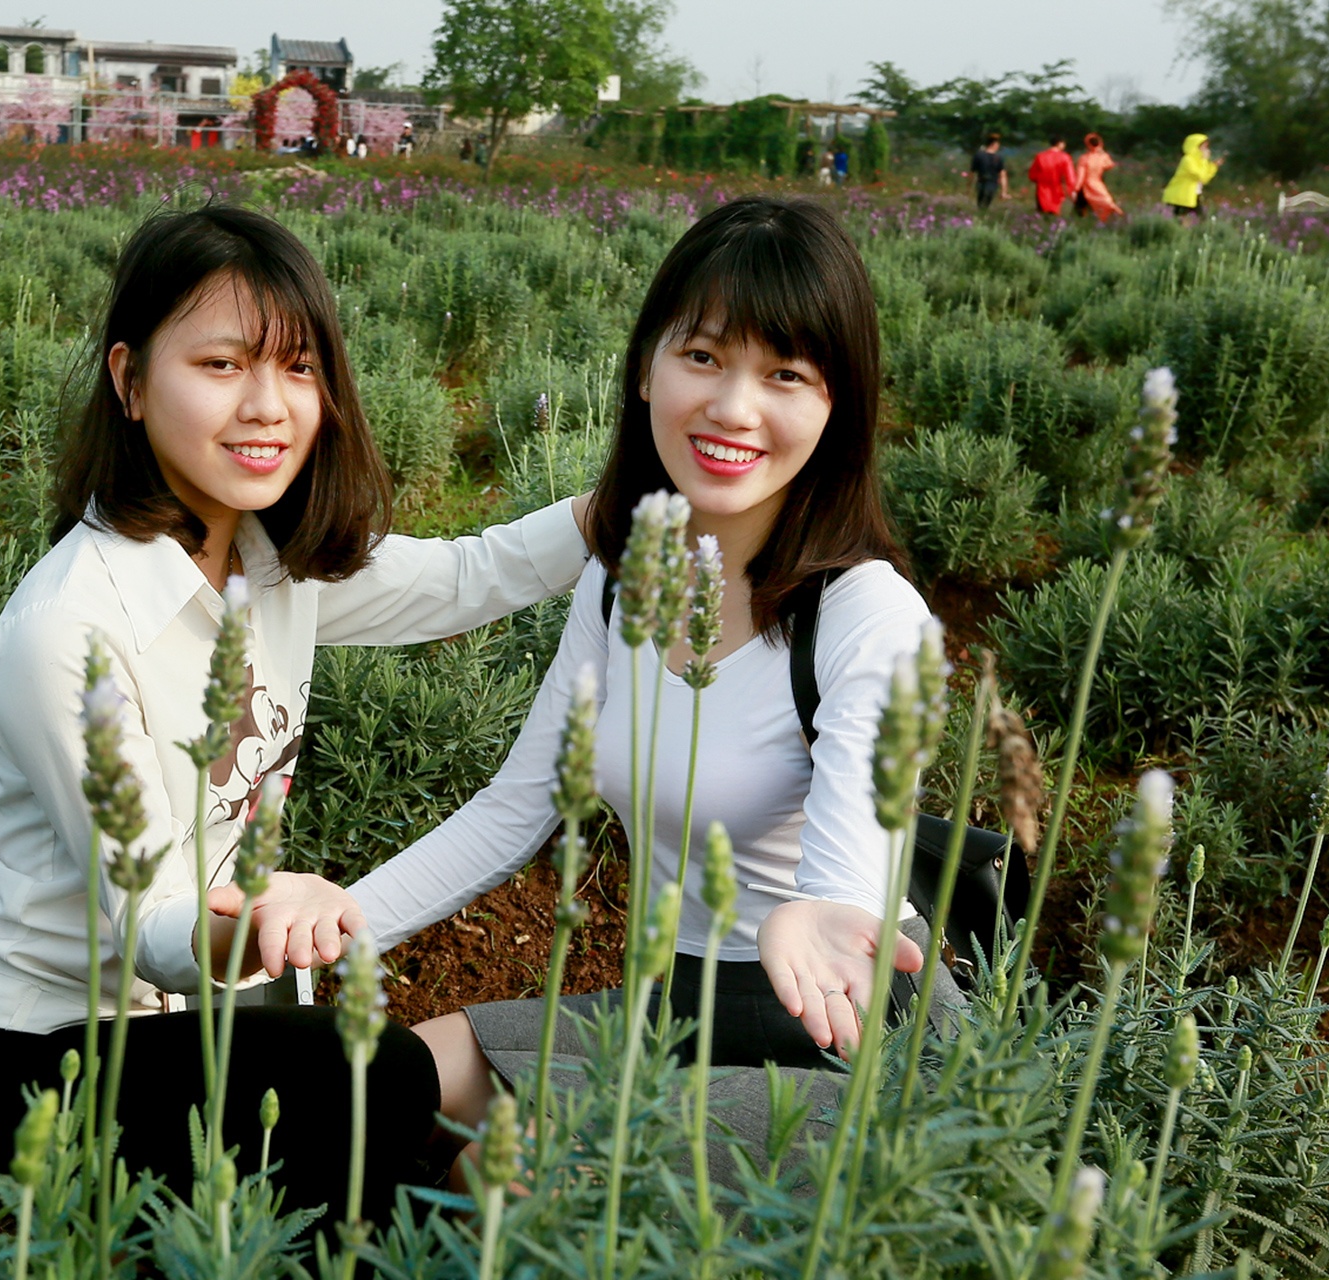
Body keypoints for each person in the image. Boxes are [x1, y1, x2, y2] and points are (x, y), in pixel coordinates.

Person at [0, 204, 593, 1220]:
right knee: (366, 1073)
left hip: (178, 1022)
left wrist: (646, 487)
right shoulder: (73, 626)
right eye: (223, 365)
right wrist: (268, 919)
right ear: (130, 380)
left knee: (372, 1086)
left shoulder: (272, 563)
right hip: (26, 1055)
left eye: (300, 368)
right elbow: (146, 922)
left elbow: (471, 573)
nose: (268, 406)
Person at [348, 197, 957, 1170]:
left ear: (836, 406)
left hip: (849, 1041)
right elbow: (515, 808)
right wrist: (334, 930)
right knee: (394, 1082)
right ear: (646, 367)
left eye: (786, 374)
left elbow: (851, 876)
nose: (734, 407)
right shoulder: (620, 574)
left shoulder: (866, 617)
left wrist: (815, 911)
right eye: (704, 356)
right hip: (674, 1007)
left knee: (526, 1163)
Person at [1163, 133, 1221, 220]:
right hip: (1181, 196)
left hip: (1192, 195)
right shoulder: (1187, 160)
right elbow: (1199, 175)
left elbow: (1205, 179)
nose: (1206, 150)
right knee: (1182, 220)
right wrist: (1204, 160)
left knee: (1198, 219)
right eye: (1203, 147)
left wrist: (1214, 166)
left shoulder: (1200, 161)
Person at [1074, 133, 1123, 223]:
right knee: (1105, 200)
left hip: (1086, 185)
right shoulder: (1103, 157)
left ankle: (1083, 222)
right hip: (1098, 183)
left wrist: (1076, 188)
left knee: (1081, 208)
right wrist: (1101, 150)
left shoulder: (1084, 158)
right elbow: (1110, 165)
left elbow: (1080, 176)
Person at [1027, 135, 1076, 215]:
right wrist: (1072, 189)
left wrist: (1041, 179)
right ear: (1060, 143)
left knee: (1042, 214)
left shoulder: (1040, 156)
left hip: (1042, 189)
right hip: (1057, 189)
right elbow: (1070, 177)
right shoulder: (1065, 157)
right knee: (1054, 214)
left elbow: (1032, 175)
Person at [971, 132, 1010, 210]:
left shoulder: (978, 155)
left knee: (980, 204)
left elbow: (972, 173)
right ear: (994, 144)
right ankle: (983, 216)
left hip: (981, 183)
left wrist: (969, 187)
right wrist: (1004, 192)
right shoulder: (998, 158)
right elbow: (1003, 175)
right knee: (986, 203)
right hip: (992, 184)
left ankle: (981, 216)